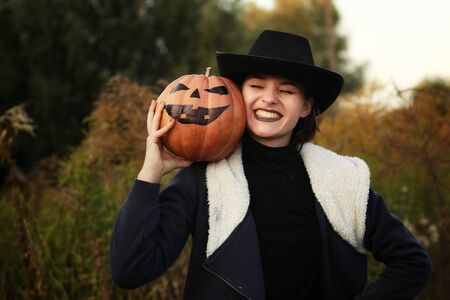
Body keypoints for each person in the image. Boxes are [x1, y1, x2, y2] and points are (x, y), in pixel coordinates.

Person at [109, 30, 432, 299]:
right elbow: (130, 269)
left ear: (305, 106)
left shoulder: (342, 179)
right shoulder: (204, 178)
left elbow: (412, 261)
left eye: (286, 90)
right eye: (257, 85)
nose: (269, 98)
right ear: (238, 93)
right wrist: (150, 172)